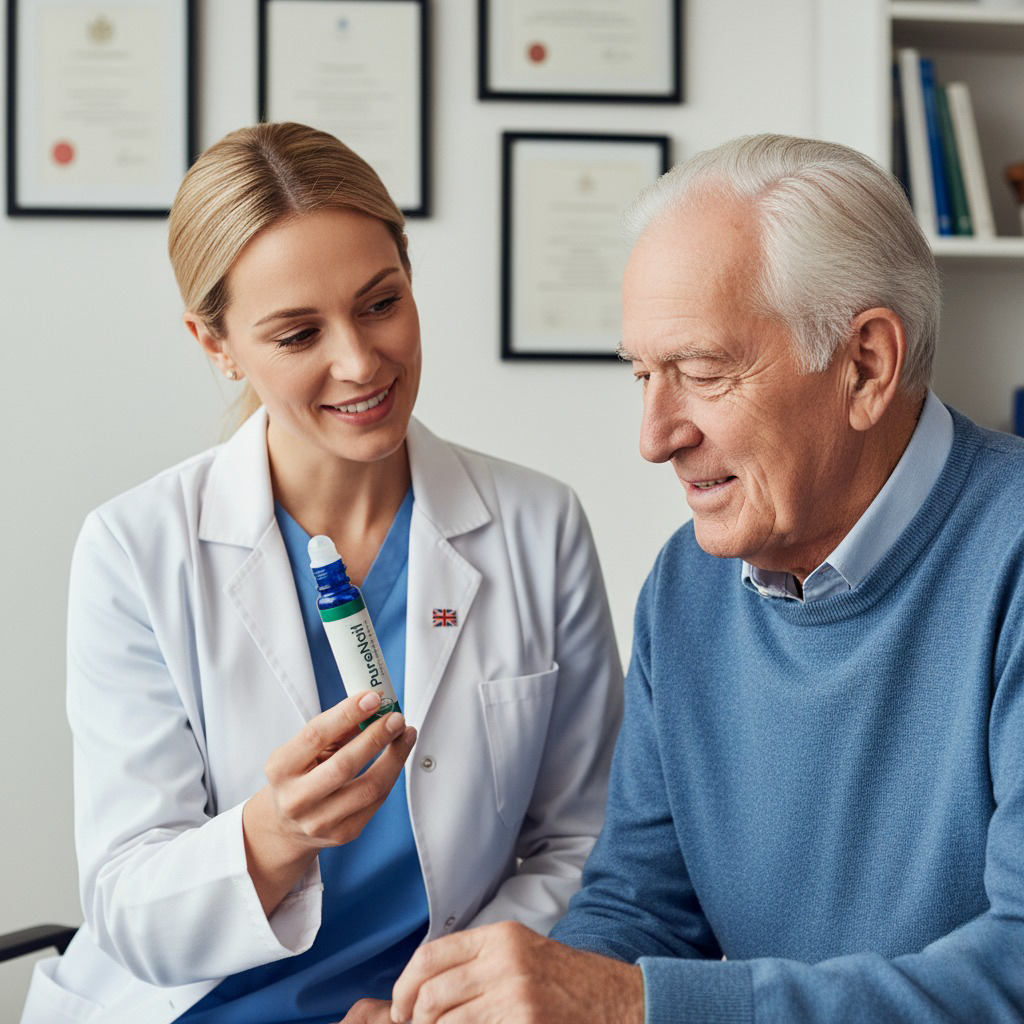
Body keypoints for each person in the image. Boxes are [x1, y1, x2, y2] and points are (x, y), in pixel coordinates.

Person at [387, 133, 1024, 1023]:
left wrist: (635, 1006)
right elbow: (639, 907)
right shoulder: (687, 584)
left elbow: (1015, 968)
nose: (655, 437)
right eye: (644, 373)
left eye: (702, 372)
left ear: (866, 366)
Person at [20, 122, 623, 1024]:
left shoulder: (539, 527)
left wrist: (444, 999)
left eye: (380, 303)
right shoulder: (134, 551)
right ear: (216, 343)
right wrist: (274, 832)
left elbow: (581, 840)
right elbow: (128, 905)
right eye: (299, 333)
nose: (359, 361)